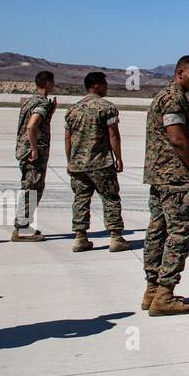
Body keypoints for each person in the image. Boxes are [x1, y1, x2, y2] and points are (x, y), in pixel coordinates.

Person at [142, 56, 189, 316]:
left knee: (157, 231)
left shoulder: (165, 96)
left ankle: (152, 290)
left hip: (159, 177)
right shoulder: (173, 99)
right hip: (174, 177)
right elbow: (177, 140)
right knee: (180, 233)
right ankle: (165, 294)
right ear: (180, 73)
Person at [65, 72, 129, 253]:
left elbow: (67, 138)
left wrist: (69, 161)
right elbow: (113, 135)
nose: (107, 87)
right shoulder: (107, 108)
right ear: (97, 86)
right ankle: (115, 237)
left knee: (80, 200)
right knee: (110, 198)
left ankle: (80, 237)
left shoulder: (73, 110)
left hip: (78, 164)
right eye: (105, 84)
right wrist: (118, 157)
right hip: (101, 163)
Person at [11, 70, 56, 242]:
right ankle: (22, 229)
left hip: (24, 150)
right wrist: (35, 148)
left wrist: (51, 113)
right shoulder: (41, 103)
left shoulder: (30, 101)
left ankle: (23, 226)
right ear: (48, 83)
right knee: (32, 189)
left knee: (30, 187)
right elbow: (31, 126)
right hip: (33, 154)